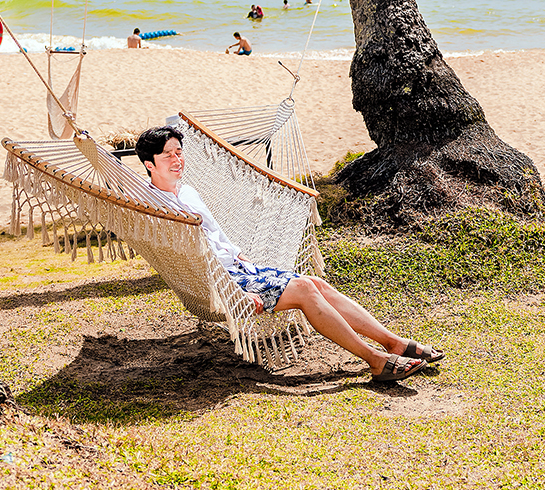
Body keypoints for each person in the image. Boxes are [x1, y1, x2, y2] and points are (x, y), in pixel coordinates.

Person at [135, 126, 441, 383]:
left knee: (315, 284)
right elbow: (186, 262)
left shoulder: (188, 192)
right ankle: (375, 360)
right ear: (150, 164)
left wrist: (240, 257)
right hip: (223, 284)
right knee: (306, 290)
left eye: (179, 152)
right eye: (167, 155)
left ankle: (393, 343)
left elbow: (216, 233)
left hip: (241, 270)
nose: (177, 159)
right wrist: (235, 295)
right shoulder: (156, 208)